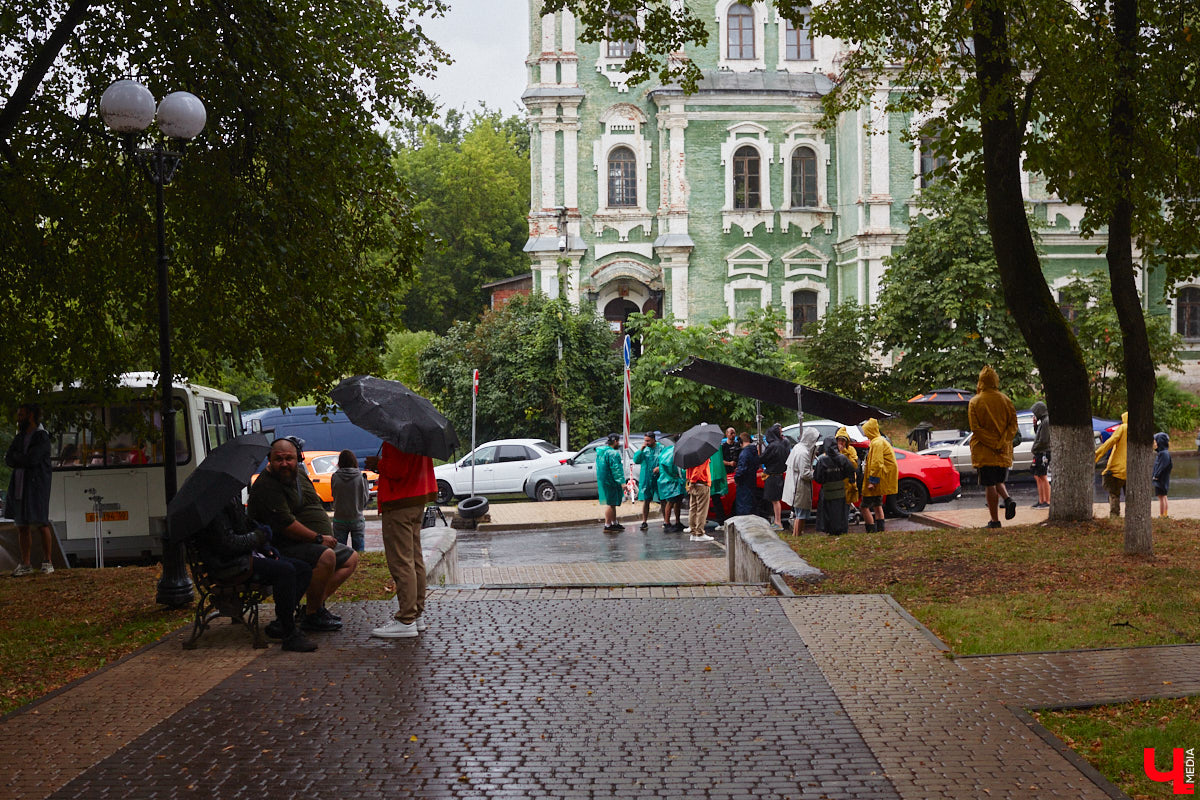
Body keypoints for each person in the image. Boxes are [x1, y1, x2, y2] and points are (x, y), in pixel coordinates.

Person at [247, 437, 359, 633]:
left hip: (306, 541)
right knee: (326, 557)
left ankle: (312, 607)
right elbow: (286, 525)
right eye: (278, 459)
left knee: (351, 557)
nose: (284, 463)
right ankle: (312, 616)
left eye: (289, 458)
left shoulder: (297, 474)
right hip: (280, 544)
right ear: (269, 460)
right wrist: (318, 538)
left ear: (298, 458)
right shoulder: (267, 485)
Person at [194, 499, 317, 652]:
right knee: (285, 571)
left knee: (303, 569)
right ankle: (289, 634)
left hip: (244, 557)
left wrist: (264, 544)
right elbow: (229, 544)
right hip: (229, 566)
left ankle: (282, 623)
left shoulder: (228, 501)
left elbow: (244, 527)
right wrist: (259, 536)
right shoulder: (214, 508)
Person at [369, 441, 437, 639]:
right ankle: (416, 614)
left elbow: (398, 470)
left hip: (399, 501)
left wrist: (378, 464)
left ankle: (406, 619)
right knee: (415, 559)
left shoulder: (397, 437)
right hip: (417, 498)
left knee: (401, 561)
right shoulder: (418, 434)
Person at [968, 365, 1019, 529]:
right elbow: (1013, 425)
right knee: (998, 480)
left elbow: (976, 429)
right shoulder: (1006, 400)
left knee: (989, 484)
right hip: (1003, 451)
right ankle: (1008, 499)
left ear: (981, 381)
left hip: (984, 451)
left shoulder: (975, 402)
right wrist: (1002, 442)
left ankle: (995, 520)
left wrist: (991, 443)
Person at [6, 404, 55, 576]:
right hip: (20, 485)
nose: (18, 418)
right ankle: (25, 563)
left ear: (31, 415)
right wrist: (21, 459)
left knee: (41, 523)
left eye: (21, 415)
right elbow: (8, 458)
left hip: (36, 486)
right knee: (22, 525)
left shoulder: (41, 437)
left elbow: (32, 459)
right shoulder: (19, 437)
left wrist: (19, 459)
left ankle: (48, 561)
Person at [782, 426, 820, 536]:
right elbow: (805, 474)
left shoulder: (798, 447)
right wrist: (816, 474)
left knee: (799, 513)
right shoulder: (803, 453)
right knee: (801, 514)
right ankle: (797, 535)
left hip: (795, 485)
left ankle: (797, 535)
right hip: (800, 487)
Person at [860, 418, 898, 532]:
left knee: (864, 506)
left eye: (866, 432)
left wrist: (872, 481)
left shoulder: (876, 443)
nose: (865, 435)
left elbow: (877, 463)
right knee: (877, 505)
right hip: (881, 479)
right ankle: (880, 530)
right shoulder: (880, 441)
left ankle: (871, 530)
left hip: (876, 480)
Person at [813, 437, 855, 536]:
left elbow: (818, 478)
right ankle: (841, 530)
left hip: (827, 490)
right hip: (840, 489)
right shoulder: (843, 458)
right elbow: (851, 471)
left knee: (827, 513)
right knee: (841, 512)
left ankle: (829, 530)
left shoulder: (822, 460)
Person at [331, 449, 369, 552]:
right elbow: (365, 499)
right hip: (357, 518)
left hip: (339, 518)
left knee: (339, 551)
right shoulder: (361, 477)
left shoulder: (335, 477)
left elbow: (333, 494)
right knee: (359, 551)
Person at [1095, 412, 1128, 518]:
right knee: (1131, 497)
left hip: (1116, 470)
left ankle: (1115, 517)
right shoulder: (1138, 429)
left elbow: (1110, 442)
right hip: (1131, 471)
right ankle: (1131, 516)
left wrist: (1096, 455)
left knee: (1114, 494)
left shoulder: (1123, 428)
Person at [760, 424, 789, 530]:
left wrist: (759, 455)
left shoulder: (772, 446)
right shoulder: (785, 443)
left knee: (775, 500)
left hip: (772, 475)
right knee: (776, 499)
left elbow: (762, 459)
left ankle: (778, 522)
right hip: (780, 475)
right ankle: (777, 521)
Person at [632, 432, 662, 530]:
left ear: (654, 439)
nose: (646, 442)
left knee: (663, 499)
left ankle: (667, 521)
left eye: (648, 440)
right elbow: (636, 460)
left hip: (658, 477)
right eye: (645, 440)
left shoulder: (661, 448)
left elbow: (665, 460)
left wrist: (659, 467)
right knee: (646, 500)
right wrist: (641, 449)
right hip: (646, 477)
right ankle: (644, 521)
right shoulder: (644, 450)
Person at [596, 433, 626, 532]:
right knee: (610, 503)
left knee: (612, 502)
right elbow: (616, 469)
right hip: (611, 480)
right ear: (616, 441)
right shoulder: (613, 453)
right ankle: (608, 525)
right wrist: (622, 482)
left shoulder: (602, 452)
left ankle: (613, 522)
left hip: (605, 480)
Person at [656, 440, 686, 531]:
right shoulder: (671, 453)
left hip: (676, 481)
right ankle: (667, 522)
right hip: (671, 482)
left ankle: (677, 522)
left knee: (678, 502)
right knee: (671, 502)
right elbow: (667, 466)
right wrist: (674, 475)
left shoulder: (675, 452)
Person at [684, 453, 715, 542]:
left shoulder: (689, 455)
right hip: (701, 484)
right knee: (702, 509)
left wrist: (690, 482)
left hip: (692, 484)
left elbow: (688, 470)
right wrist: (693, 481)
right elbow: (698, 470)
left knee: (693, 508)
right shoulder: (703, 455)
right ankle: (699, 533)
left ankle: (693, 532)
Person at [1030, 400, 1051, 509]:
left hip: (1043, 452)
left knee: (1043, 476)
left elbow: (1043, 439)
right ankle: (1041, 499)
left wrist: (1034, 448)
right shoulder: (1042, 422)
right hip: (1039, 451)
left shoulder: (1046, 422)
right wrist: (1035, 426)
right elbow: (1039, 435)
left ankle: (1047, 501)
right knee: (1037, 475)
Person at [733, 432, 760, 517]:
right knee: (752, 505)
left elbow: (742, 469)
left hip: (744, 483)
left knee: (743, 507)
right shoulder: (754, 451)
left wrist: (736, 478)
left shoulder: (744, 453)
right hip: (752, 481)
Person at [1153, 432, 1173, 519]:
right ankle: (1164, 514)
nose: (1154, 444)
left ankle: (1162, 515)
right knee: (1163, 496)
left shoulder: (1163, 454)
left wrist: (1156, 475)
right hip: (1163, 478)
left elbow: (1162, 466)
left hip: (1161, 479)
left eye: (1155, 442)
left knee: (1161, 497)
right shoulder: (1164, 453)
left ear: (1159, 442)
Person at [708, 446, 728, 525]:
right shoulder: (716, 446)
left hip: (710, 477)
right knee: (716, 500)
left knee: (712, 500)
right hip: (716, 475)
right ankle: (721, 520)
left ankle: (721, 520)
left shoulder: (707, 449)